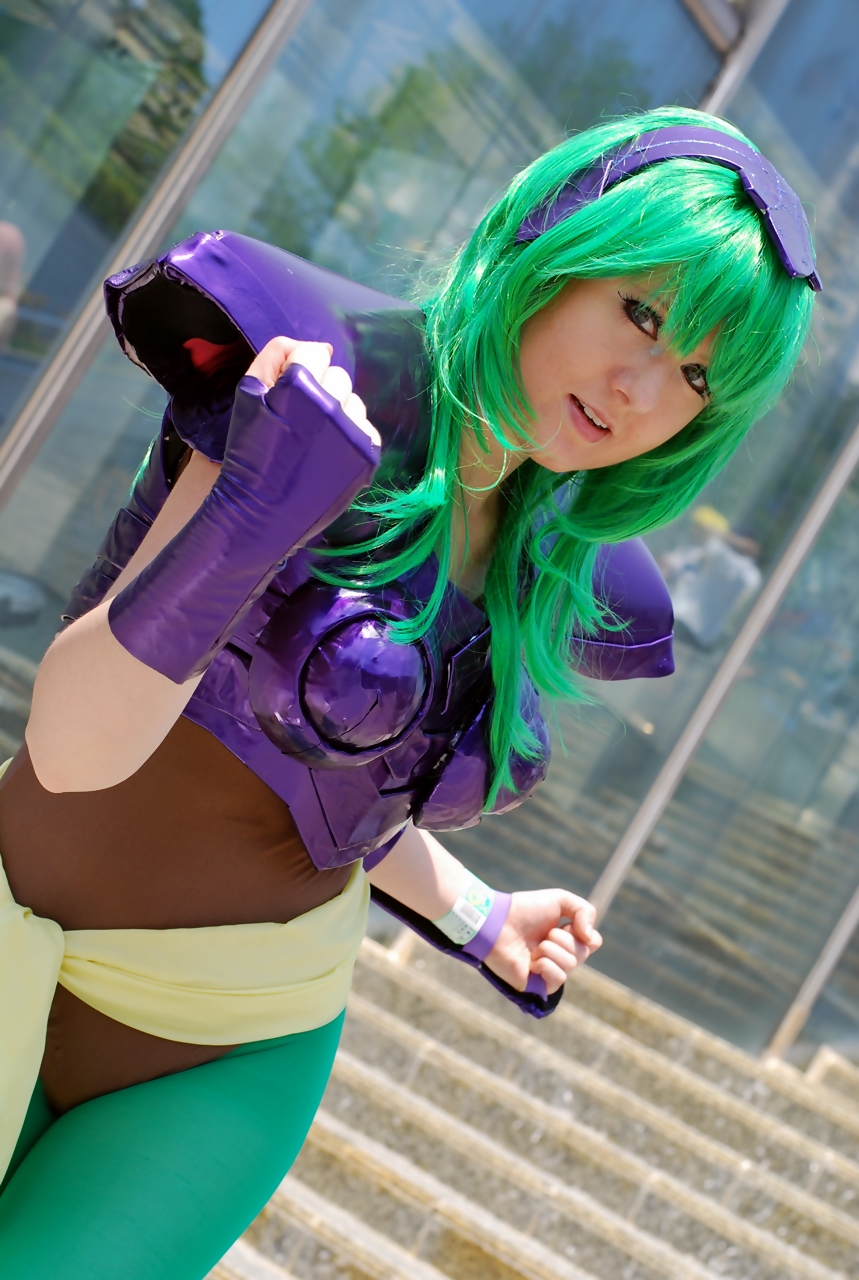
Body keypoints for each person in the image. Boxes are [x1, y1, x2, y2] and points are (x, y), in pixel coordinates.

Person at [0, 106, 816, 1277]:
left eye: (694, 375)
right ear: (555, 239)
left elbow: (342, 800)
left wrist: (480, 913)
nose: (641, 387)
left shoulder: (549, 565)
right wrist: (251, 514)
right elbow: (71, 748)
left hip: (229, 1040)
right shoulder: (326, 374)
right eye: (641, 312)